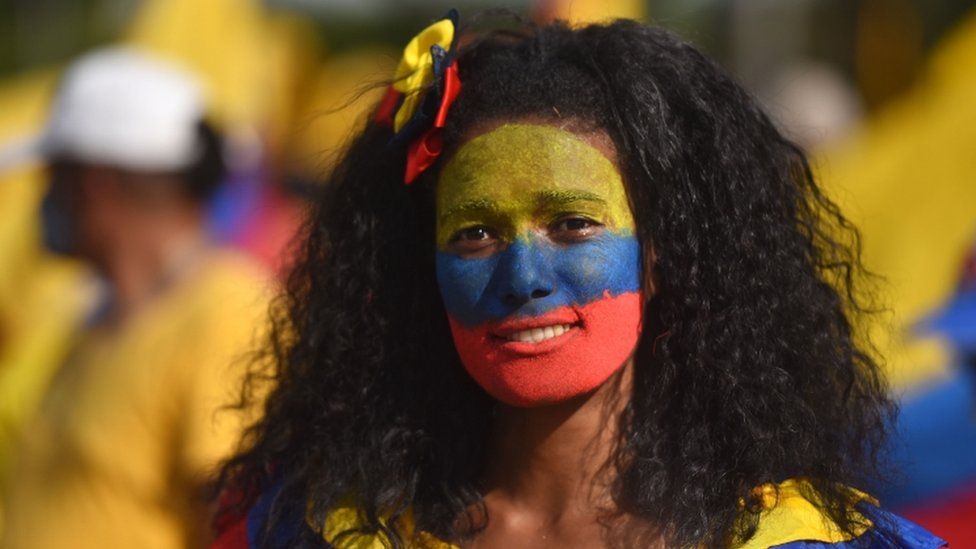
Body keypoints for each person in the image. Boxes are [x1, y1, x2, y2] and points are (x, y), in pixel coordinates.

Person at [212, 14, 946, 549]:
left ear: (660, 255)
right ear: (421, 271)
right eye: (475, 234)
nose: (523, 276)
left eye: (573, 225)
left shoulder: (801, 541)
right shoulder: (328, 532)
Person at [0, 48, 268, 548]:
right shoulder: (95, 316)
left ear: (94, 185)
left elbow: (237, 527)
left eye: (52, 178)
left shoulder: (225, 310)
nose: (41, 199)